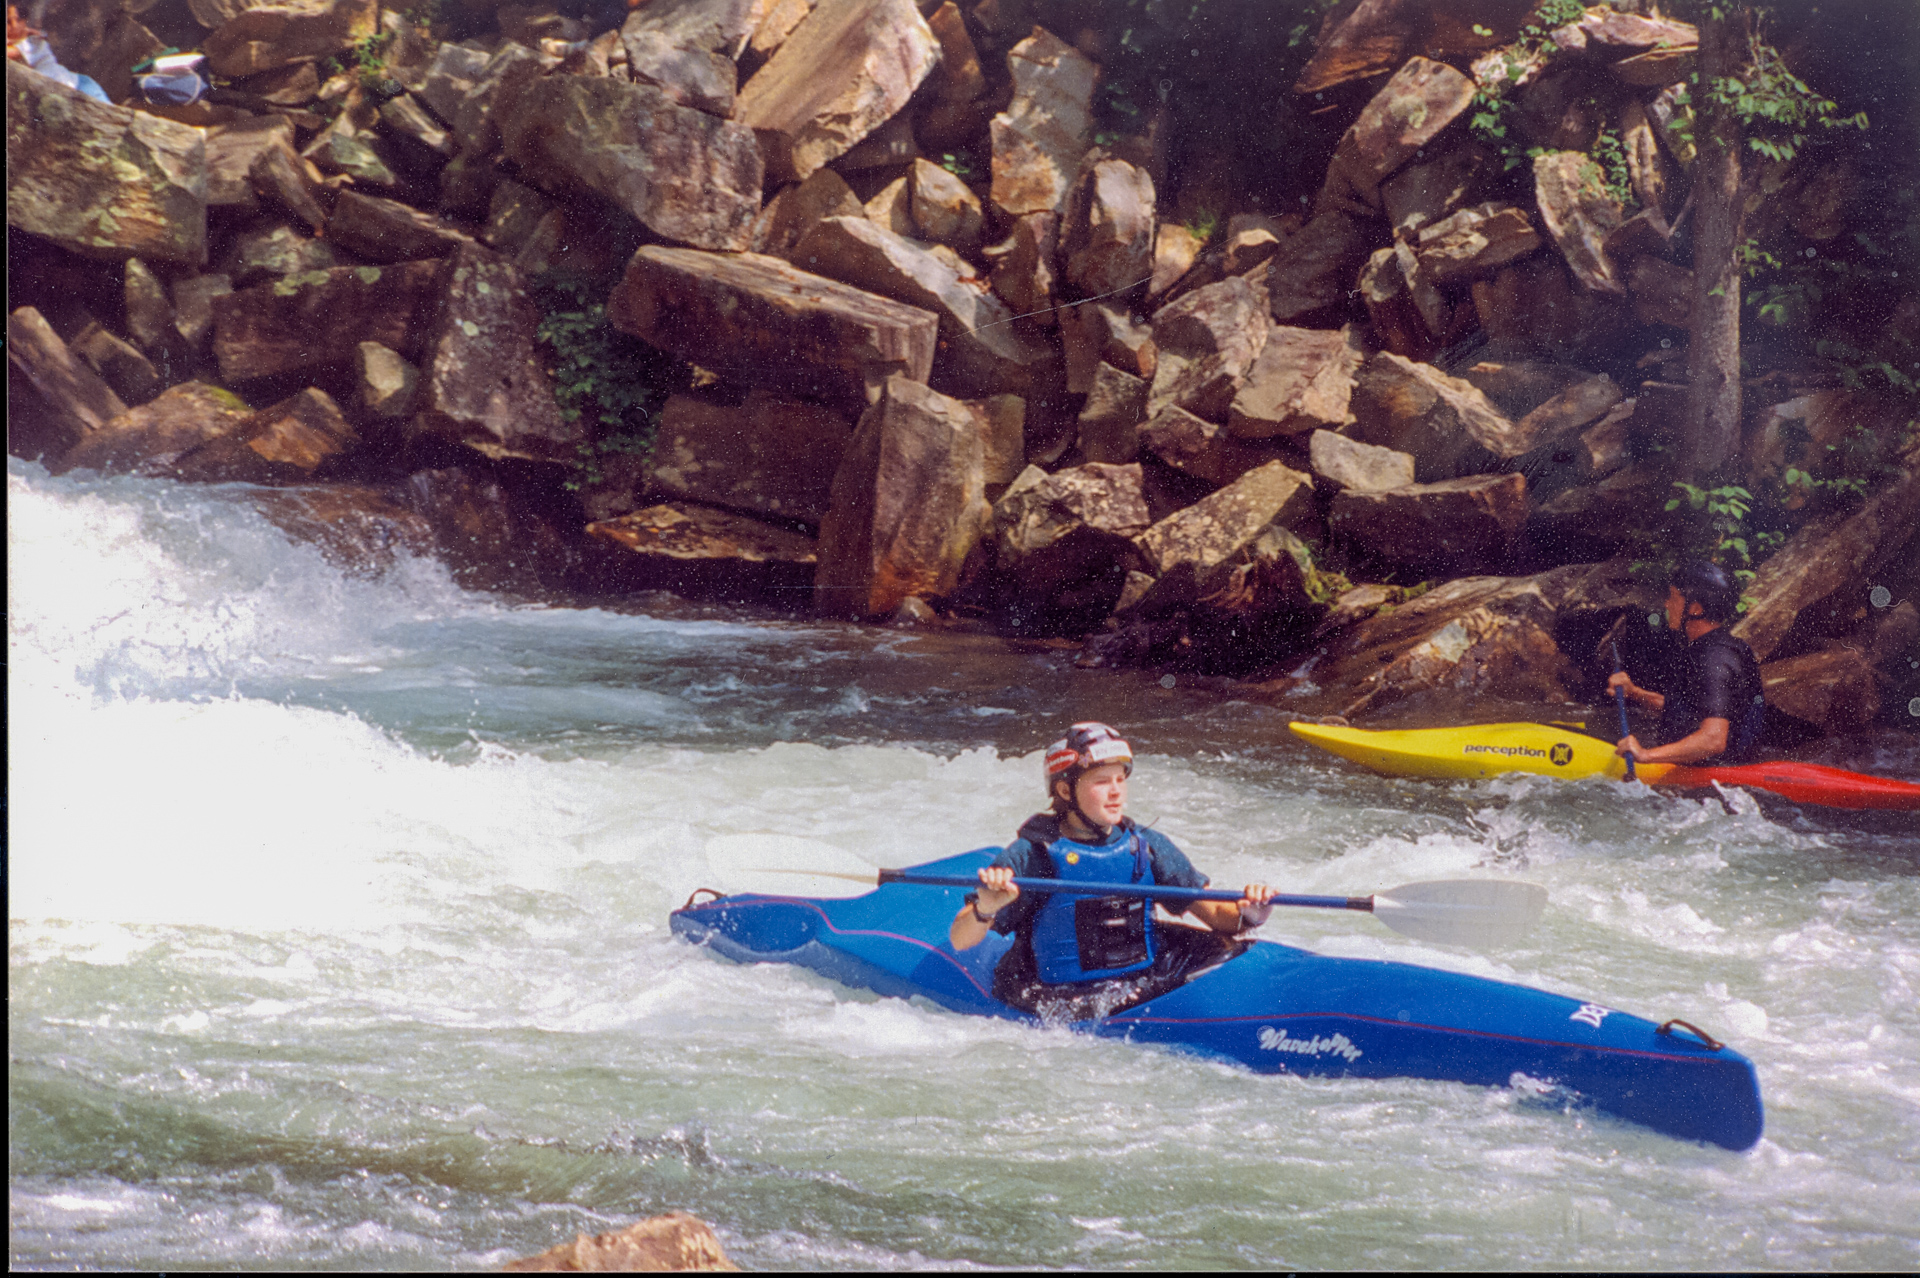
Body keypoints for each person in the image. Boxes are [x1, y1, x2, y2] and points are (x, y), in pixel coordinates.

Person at [949, 722, 1278, 1021]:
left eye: (1120, 779)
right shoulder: (1033, 854)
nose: (1116, 791)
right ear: (1065, 791)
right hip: (1060, 994)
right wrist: (985, 907)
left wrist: (1250, 914)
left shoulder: (1147, 846)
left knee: (1224, 948)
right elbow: (960, 940)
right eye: (1102, 781)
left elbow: (1217, 915)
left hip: (1139, 981)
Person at [1608, 559, 1766, 767]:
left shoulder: (1715, 659)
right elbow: (1688, 712)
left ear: (1695, 609)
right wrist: (1634, 692)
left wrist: (1646, 755)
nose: (1667, 604)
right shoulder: (1714, 647)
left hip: (1717, 777)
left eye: (1673, 598)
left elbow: (1713, 740)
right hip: (1717, 769)